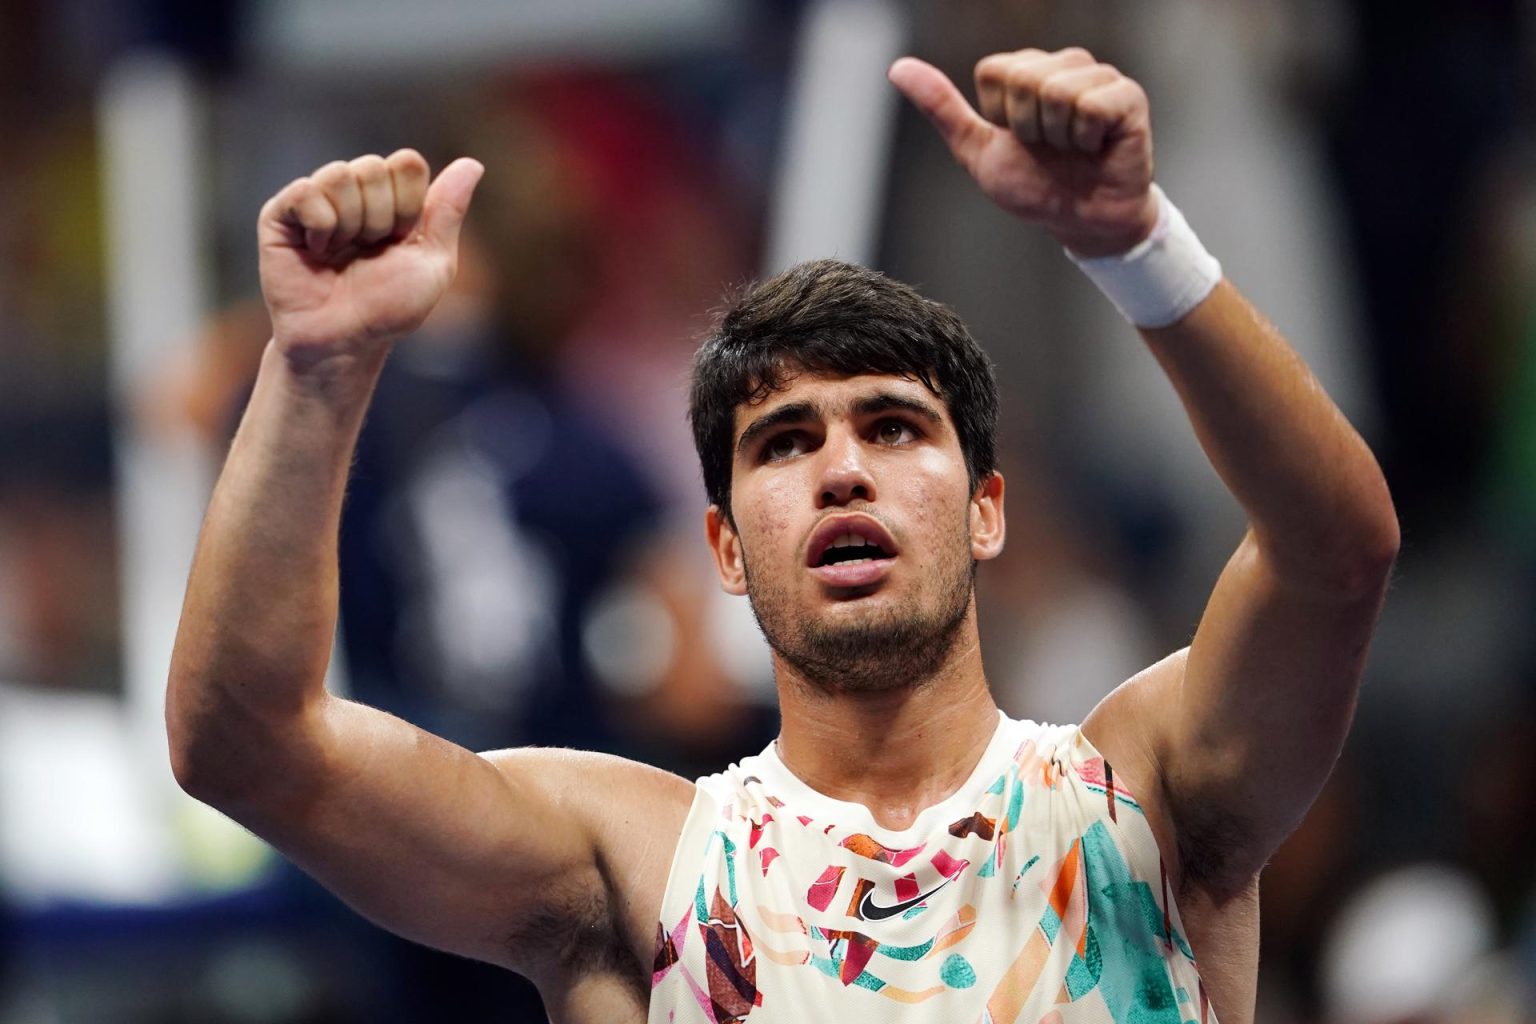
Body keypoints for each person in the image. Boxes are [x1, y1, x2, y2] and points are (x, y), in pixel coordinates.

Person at [166, 45, 1398, 1024]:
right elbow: (246, 744)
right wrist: (317, 367)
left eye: (894, 427)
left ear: (987, 510)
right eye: (785, 443)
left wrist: (1138, 248)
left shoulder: (1146, 793)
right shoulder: (631, 865)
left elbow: (1337, 552)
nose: (843, 469)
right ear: (722, 549)